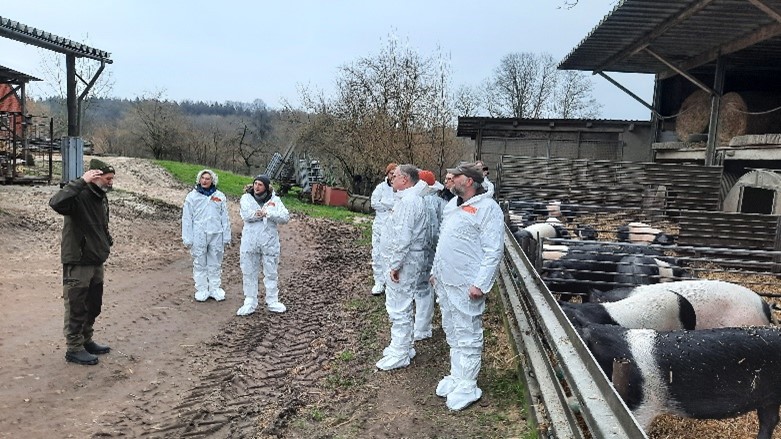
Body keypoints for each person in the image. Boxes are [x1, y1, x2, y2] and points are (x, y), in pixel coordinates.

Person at [431, 162, 504, 411]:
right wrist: (434, 271)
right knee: (452, 331)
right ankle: (457, 375)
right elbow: (444, 240)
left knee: (469, 333)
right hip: (446, 280)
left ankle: (469, 383)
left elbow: (493, 250)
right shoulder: (453, 206)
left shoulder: (488, 209)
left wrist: (480, 284)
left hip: (466, 283)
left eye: (456, 176)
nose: (451, 179)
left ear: (469, 181)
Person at [49, 158, 116, 366]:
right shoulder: (78, 195)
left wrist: (107, 242)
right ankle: (74, 347)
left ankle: (86, 340)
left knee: (93, 304)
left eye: (112, 179)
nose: (111, 182)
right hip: (78, 260)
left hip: (96, 259)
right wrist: (80, 181)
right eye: (108, 179)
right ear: (95, 177)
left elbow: (102, 224)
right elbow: (56, 202)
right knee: (76, 305)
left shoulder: (101, 196)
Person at [376, 164, 428, 371]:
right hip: (404, 260)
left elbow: (404, 236)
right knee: (400, 303)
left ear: (405, 179)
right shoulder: (407, 199)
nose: (392, 179)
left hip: (405, 262)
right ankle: (403, 345)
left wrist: (395, 264)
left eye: (395, 176)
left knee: (399, 306)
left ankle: (401, 352)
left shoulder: (409, 201)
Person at [237, 174, 290, 315]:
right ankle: (250, 300)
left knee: (271, 272)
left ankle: (272, 300)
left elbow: (285, 217)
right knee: (249, 271)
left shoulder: (275, 200)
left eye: (260, 184)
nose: (257, 186)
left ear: (266, 187)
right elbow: (246, 215)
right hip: (250, 241)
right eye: (255, 183)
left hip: (269, 242)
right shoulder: (246, 198)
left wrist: (269, 214)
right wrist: (258, 214)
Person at [181, 169, 232, 302]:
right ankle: (202, 289)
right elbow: (187, 219)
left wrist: (226, 236)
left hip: (216, 233)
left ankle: (214, 288)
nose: (204, 180)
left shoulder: (219, 196)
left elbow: (224, 217)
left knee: (215, 262)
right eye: (202, 178)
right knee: (200, 262)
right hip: (199, 233)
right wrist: (187, 238)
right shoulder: (192, 197)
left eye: (207, 178)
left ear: (212, 180)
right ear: (199, 180)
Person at [414, 170, 444, 340]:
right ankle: (421, 324)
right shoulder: (435, 201)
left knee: (423, 288)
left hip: (425, 251)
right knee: (422, 288)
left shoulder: (429, 202)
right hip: (427, 250)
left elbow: (432, 231)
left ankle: (422, 327)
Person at [369, 163, 397, 296]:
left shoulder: (400, 188)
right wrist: (388, 206)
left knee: (393, 254)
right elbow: (374, 203)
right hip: (380, 225)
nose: (393, 176)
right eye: (391, 173)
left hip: (395, 227)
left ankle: (391, 281)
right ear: (387, 174)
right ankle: (379, 281)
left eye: (395, 173)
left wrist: (388, 205)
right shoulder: (380, 188)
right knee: (377, 253)